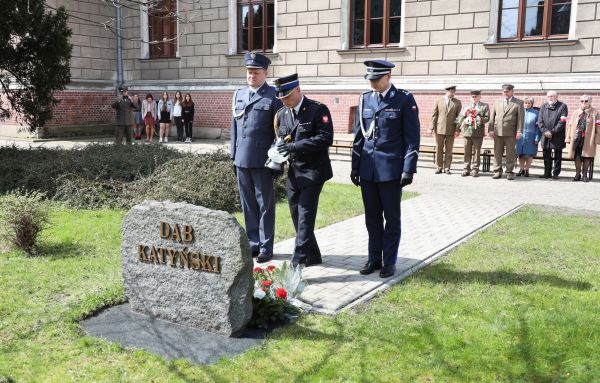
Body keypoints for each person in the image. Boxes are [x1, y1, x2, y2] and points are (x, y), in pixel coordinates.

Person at [351, 60, 420, 279]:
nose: (372, 83)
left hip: (391, 171)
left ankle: (389, 261)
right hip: (368, 170)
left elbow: (412, 138)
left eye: (376, 79)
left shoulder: (403, 99)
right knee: (371, 218)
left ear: (388, 76)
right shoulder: (364, 99)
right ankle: (374, 258)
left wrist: (408, 168)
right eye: (370, 79)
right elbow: (359, 137)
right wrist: (355, 166)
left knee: (391, 218)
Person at [274, 73, 333, 268]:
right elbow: (281, 141)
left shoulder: (317, 109)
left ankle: (297, 263)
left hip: (314, 171)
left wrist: (293, 147)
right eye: (281, 98)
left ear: (298, 90)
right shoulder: (282, 114)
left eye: (287, 97)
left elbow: (325, 138)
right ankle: (313, 256)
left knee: (305, 216)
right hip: (294, 171)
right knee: (296, 215)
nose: (284, 101)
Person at [231, 52, 282, 263]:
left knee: (265, 205)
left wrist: (276, 161)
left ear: (265, 73)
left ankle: (266, 246)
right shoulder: (239, 95)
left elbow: (280, 132)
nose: (252, 75)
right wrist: (233, 156)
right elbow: (234, 128)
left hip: (263, 161)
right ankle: (253, 244)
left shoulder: (273, 96)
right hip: (242, 160)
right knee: (248, 204)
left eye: (256, 72)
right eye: (249, 72)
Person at [488, 84, 524, 180]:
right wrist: (490, 130)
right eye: (504, 92)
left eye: (508, 91)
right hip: (497, 132)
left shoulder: (518, 103)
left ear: (512, 92)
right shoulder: (497, 102)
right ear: (502, 92)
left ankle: (509, 171)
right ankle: (497, 171)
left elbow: (520, 119)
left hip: (511, 133)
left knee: (510, 153)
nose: (506, 93)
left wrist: (519, 131)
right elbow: (492, 117)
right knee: (497, 152)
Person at [566, 95, 600, 182]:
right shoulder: (576, 112)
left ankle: (585, 175)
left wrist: (597, 138)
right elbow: (570, 125)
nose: (584, 103)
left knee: (587, 157)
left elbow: (598, 127)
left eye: (586, 101)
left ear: (590, 102)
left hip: (588, 138)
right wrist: (568, 137)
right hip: (577, 137)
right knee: (577, 156)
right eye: (582, 101)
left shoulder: (595, 112)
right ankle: (577, 174)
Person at [430, 85, 462, 174]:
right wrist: (431, 128)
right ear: (447, 91)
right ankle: (439, 167)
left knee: (449, 150)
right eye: (451, 92)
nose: (453, 94)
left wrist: (457, 130)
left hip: (451, 130)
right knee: (439, 149)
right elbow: (434, 115)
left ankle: (447, 168)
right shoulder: (438, 101)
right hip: (439, 128)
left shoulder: (457, 102)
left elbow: (459, 117)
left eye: (454, 92)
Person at [457, 90, 489, 177]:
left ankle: (475, 169)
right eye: (472, 97)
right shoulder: (466, 106)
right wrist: (461, 125)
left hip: (478, 133)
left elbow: (487, 118)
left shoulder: (484, 106)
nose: (474, 98)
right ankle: (466, 168)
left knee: (476, 152)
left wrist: (477, 118)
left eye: (476, 97)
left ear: (479, 97)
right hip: (467, 132)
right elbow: (460, 118)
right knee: (467, 151)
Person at [537, 90, 568, 179]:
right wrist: (545, 131)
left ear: (556, 97)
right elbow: (540, 121)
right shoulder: (543, 106)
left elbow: (562, 122)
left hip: (557, 135)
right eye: (548, 96)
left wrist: (552, 132)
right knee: (546, 155)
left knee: (558, 156)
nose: (550, 98)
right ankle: (547, 173)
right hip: (545, 135)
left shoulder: (562, 106)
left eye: (552, 96)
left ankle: (555, 174)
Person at [515, 97, 541, 177]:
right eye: (525, 103)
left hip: (531, 136)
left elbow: (538, 127)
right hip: (520, 136)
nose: (527, 104)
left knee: (529, 155)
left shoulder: (536, 113)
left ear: (531, 104)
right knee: (520, 154)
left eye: (529, 103)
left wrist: (537, 137)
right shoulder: (519, 112)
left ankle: (527, 170)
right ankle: (521, 169)